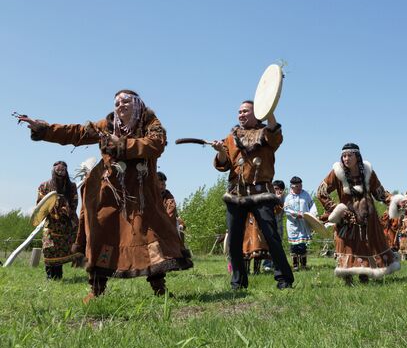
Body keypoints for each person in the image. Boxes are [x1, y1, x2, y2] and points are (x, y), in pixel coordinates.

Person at [18, 90, 193, 302]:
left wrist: (121, 144)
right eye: (117, 102)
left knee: (151, 236)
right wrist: (45, 130)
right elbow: (76, 132)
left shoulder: (150, 123)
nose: (120, 105)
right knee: (100, 234)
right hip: (109, 192)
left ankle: (159, 288)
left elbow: (155, 145)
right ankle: (96, 290)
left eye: (126, 101)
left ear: (138, 104)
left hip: (141, 195)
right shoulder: (107, 125)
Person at [212, 100, 294, 290]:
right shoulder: (230, 138)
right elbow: (224, 165)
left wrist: (269, 109)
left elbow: (275, 135)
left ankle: (284, 279)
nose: (241, 114)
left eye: (245, 111)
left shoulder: (266, 133)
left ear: (256, 114)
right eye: (239, 111)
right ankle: (238, 283)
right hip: (236, 194)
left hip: (261, 194)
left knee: (271, 236)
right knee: (233, 241)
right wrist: (220, 152)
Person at [316, 143, 400, 285]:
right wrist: (337, 209)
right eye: (344, 156)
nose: (346, 158)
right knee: (346, 244)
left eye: (349, 155)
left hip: (367, 217)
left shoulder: (368, 172)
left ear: (357, 157)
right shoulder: (337, 173)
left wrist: (395, 201)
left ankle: (364, 276)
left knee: (366, 244)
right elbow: (321, 192)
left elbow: (379, 193)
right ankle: (347, 278)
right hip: (347, 217)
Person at [36, 161, 81, 279]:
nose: (60, 172)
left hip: (66, 223)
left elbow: (74, 203)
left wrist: (65, 211)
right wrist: (52, 210)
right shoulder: (44, 186)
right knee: (49, 248)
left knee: (61, 251)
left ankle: (58, 276)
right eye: (58, 170)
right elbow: (40, 204)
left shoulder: (71, 187)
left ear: (66, 172)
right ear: (53, 171)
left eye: (63, 170)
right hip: (51, 224)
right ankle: (50, 276)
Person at [284, 176, 317, 270]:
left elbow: (312, 206)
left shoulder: (306, 195)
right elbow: (286, 210)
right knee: (294, 246)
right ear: (292, 187)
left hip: (304, 223)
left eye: (301, 186)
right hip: (293, 224)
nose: (300, 189)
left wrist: (312, 216)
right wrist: (295, 214)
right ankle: (295, 265)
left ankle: (303, 265)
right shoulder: (288, 197)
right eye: (297, 187)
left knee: (302, 245)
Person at [262, 179, 286, 272]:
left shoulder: (285, 198)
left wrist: (279, 199)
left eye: (277, 188)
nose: (275, 191)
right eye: (274, 188)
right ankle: (267, 264)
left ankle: (276, 264)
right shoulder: (269, 197)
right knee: (267, 245)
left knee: (278, 246)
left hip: (279, 226)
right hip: (269, 225)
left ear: (282, 189)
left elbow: (281, 211)